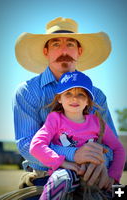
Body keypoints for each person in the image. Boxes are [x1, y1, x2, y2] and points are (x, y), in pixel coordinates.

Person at [14, 17, 118, 191]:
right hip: (44, 176)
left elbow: (112, 146)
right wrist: (73, 155)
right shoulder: (27, 91)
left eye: (70, 44)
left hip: (94, 176)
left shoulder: (97, 95)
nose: (64, 50)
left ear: (79, 51)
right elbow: (26, 143)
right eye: (56, 44)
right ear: (46, 51)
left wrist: (101, 161)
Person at [29, 71, 125, 199]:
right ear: (59, 98)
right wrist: (63, 163)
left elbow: (119, 149)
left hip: (94, 175)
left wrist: (113, 176)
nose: (74, 98)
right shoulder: (55, 119)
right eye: (68, 93)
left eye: (81, 94)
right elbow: (36, 146)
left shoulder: (97, 122)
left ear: (87, 101)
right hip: (67, 174)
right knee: (59, 179)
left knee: (119, 192)